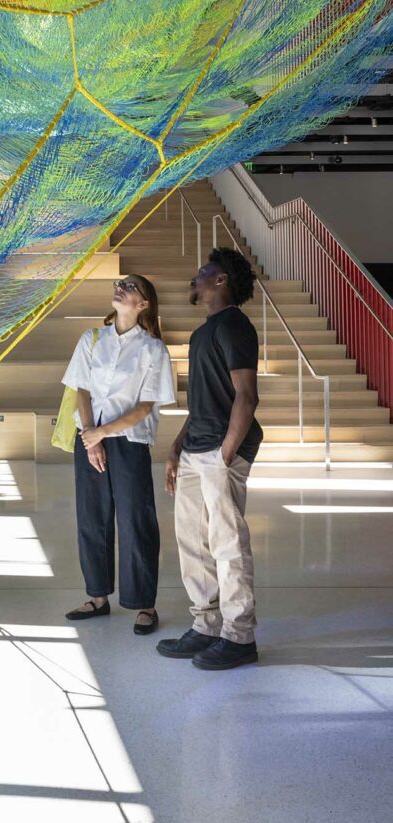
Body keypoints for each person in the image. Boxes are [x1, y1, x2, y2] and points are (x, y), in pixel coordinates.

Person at [158, 247, 263, 671]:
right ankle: (205, 625)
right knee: (192, 543)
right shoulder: (204, 332)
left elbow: (247, 395)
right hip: (195, 448)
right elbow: (202, 403)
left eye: (204, 271)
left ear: (221, 281)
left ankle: (239, 637)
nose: (196, 277)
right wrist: (176, 446)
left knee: (226, 543)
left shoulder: (234, 325)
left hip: (220, 451)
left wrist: (225, 453)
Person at [62, 275, 176, 634]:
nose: (121, 289)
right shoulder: (91, 339)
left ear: (144, 304)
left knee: (135, 522)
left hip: (129, 441)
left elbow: (145, 406)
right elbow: (81, 390)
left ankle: (144, 604)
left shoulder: (153, 349)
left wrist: (103, 432)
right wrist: (91, 437)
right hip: (89, 437)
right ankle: (97, 597)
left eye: (130, 288)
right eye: (120, 284)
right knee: (91, 518)